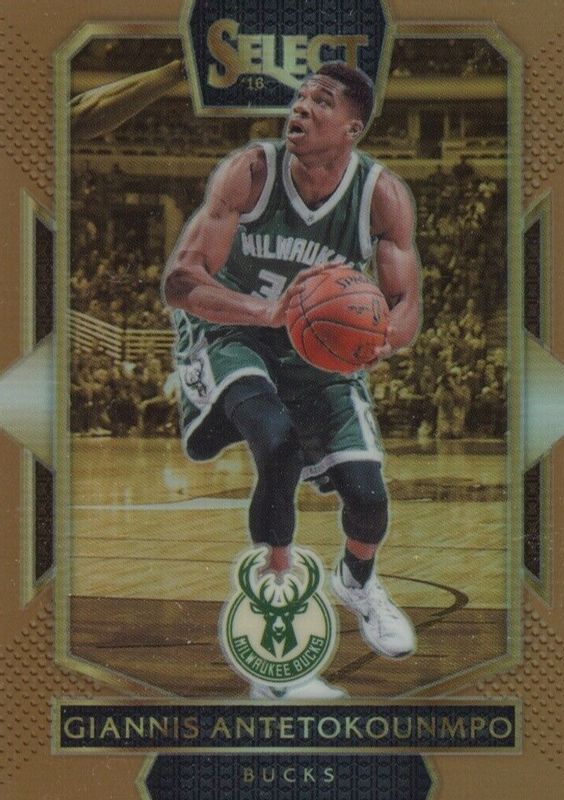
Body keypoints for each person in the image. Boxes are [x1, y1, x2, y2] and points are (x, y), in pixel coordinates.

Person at [162, 63, 421, 699]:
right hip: (234, 333)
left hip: (315, 353)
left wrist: (384, 338)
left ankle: (357, 583)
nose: (300, 107)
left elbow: (406, 303)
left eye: (321, 101)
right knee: (276, 445)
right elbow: (181, 281)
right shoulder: (251, 171)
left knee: (368, 495)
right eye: (300, 96)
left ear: (352, 128)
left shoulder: (381, 195)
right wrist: (265, 312)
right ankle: (276, 646)